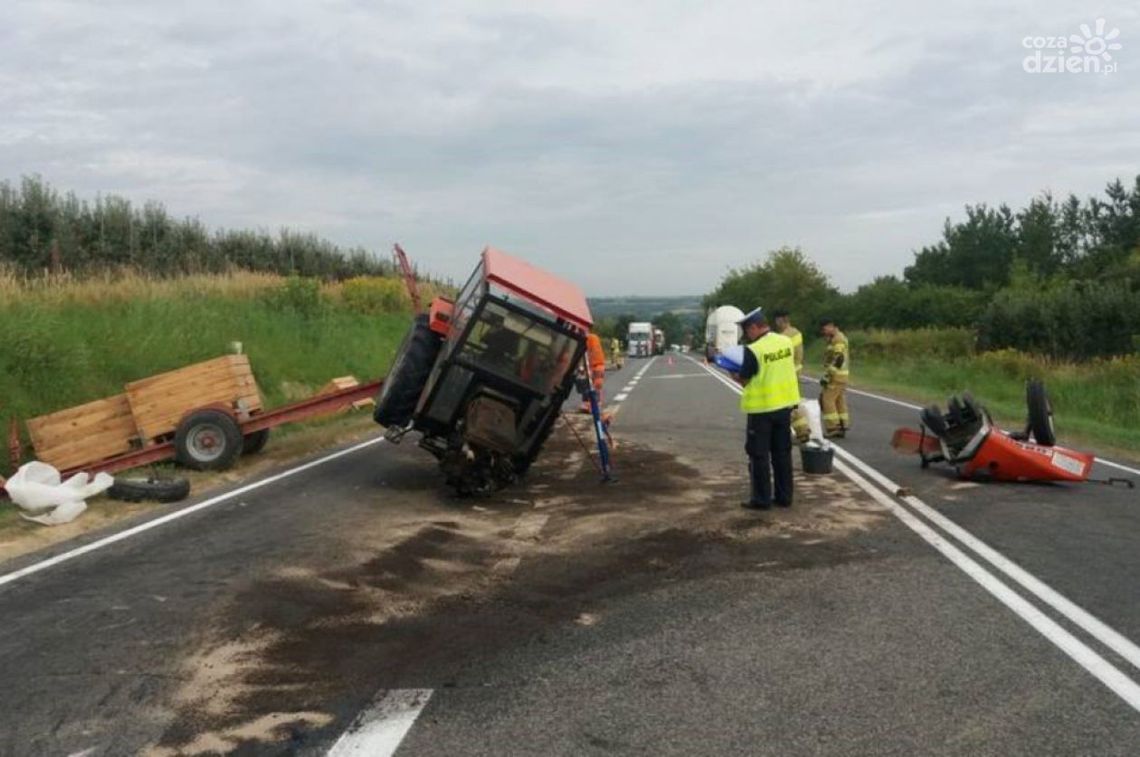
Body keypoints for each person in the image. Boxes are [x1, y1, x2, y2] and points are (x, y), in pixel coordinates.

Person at [734, 307, 801, 510]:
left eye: (747, 331)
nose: (747, 336)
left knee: (759, 455)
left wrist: (731, 371)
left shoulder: (755, 350)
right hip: (784, 407)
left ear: (754, 327)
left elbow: (744, 379)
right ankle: (784, 497)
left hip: (761, 410)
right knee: (782, 453)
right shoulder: (785, 342)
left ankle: (761, 499)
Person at [771, 309, 810, 444]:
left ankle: (802, 430)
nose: (776, 323)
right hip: (794, 371)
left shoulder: (785, 336)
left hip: (788, 373)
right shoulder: (796, 332)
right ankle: (802, 430)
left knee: (788, 403)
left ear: (782, 319)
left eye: (777, 320)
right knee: (792, 402)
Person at [819, 316, 850, 438]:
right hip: (842, 376)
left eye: (824, 329)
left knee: (827, 400)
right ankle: (842, 425)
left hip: (836, 377)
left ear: (831, 326)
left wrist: (827, 376)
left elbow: (839, 358)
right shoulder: (837, 338)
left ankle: (833, 427)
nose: (823, 332)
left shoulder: (838, 339)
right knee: (839, 400)